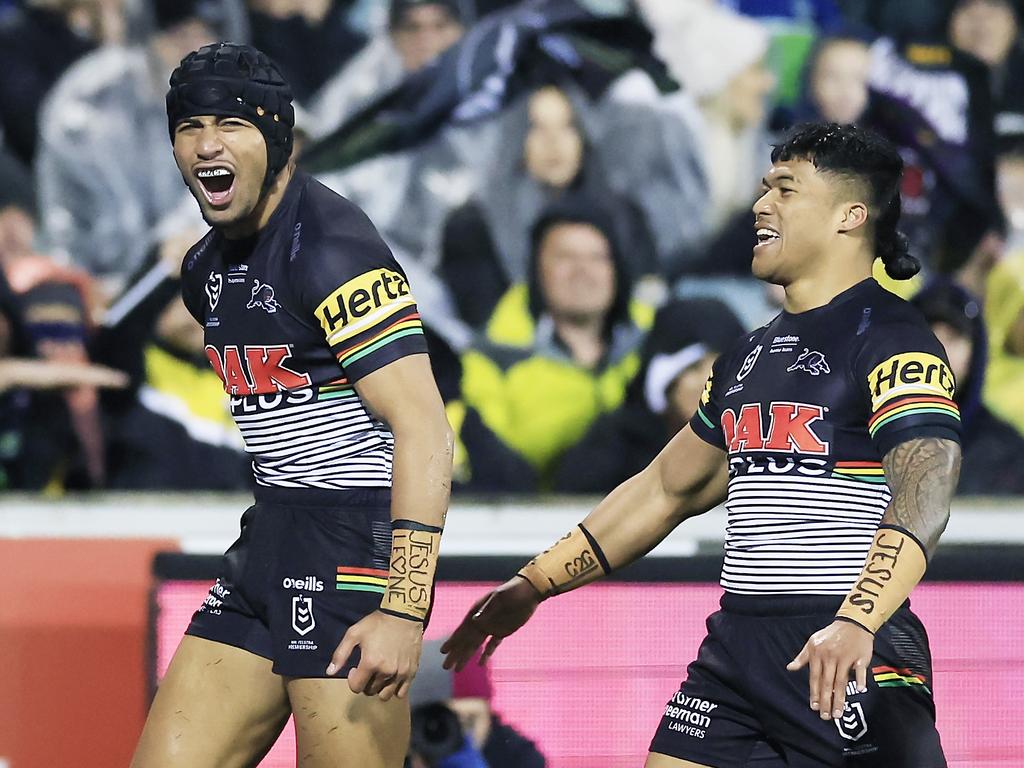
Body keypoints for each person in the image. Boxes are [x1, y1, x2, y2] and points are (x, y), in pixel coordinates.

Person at [443, 123, 962, 767]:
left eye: (784, 190)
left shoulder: (893, 339)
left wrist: (858, 620)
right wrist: (535, 582)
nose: (759, 205)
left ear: (850, 216)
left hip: (846, 643)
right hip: (736, 649)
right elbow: (667, 488)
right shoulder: (746, 355)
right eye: (764, 188)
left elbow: (926, 494)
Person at [131, 43, 453, 767]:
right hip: (268, 534)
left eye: (231, 124)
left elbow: (425, 430)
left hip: (353, 553)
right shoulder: (204, 268)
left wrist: (403, 605)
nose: (207, 143)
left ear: (277, 140)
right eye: (188, 127)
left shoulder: (336, 253)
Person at [552, 297, 745, 494]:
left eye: (721, 371)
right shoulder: (609, 450)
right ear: (664, 382)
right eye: (693, 368)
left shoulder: (764, 450)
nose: (708, 382)